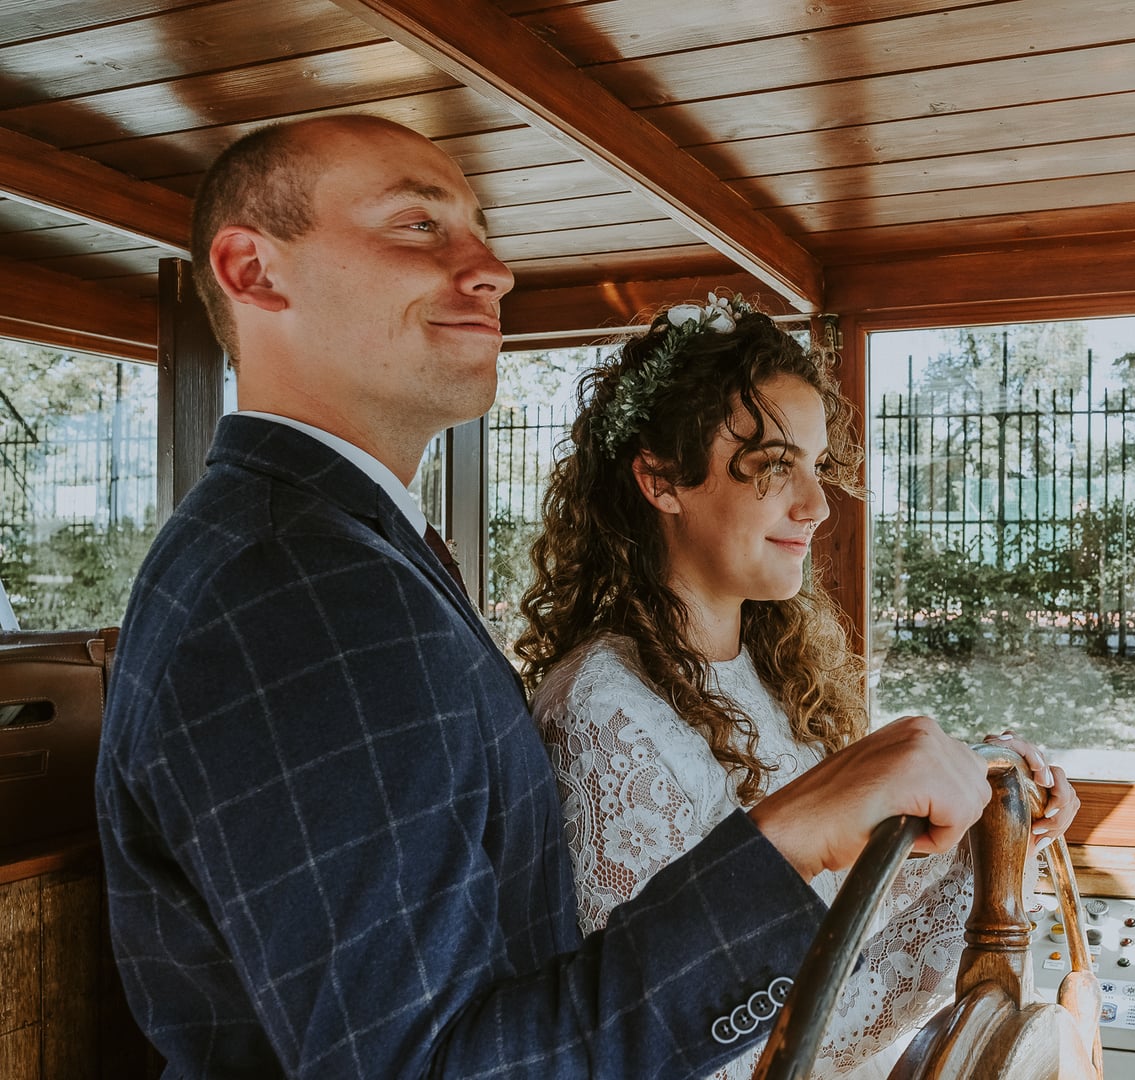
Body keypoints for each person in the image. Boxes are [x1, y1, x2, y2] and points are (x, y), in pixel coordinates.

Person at [94, 114, 994, 1080]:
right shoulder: (300, 585)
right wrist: (785, 839)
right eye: (416, 225)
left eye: (481, 231)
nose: (490, 267)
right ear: (253, 271)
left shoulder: (343, 548)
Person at [516, 294, 1080, 1077]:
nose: (815, 506)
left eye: (815, 465)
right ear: (660, 479)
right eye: (775, 466)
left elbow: (845, 903)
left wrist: (995, 814)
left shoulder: (779, 673)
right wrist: (980, 878)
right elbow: (702, 1031)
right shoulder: (601, 709)